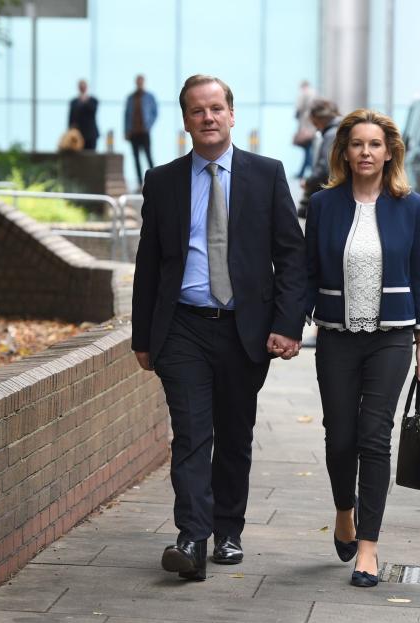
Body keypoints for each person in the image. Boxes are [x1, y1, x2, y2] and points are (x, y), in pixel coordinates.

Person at [131, 74, 307, 581]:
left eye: (216, 109)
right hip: (182, 326)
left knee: (234, 433)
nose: (207, 118)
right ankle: (191, 537)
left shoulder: (266, 174)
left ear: (232, 114)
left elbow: (291, 257)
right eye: (196, 111)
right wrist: (144, 337)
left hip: (243, 330)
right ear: (185, 121)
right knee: (190, 433)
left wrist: (288, 324)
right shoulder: (163, 181)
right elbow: (149, 263)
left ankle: (228, 531)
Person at [304, 109, 420, 587]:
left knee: (374, 437)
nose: (366, 152)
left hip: (393, 337)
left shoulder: (411, 206)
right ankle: (344, 510)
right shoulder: (323, 206)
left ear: (389, 152)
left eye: (374, 145)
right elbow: (307, 272)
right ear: (344, 151)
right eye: (357, 144)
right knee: (339, 436)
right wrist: (287, 325)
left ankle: (369, 548)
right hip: (336, 336)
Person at [297, 99, 342, 219]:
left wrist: (308, 181)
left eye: (315, 123)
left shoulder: (331, 134)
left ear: (319, 118)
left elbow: (326, 168)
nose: (316, 128)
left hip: (333, 193)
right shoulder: (340, 129)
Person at [124, 74, 158, 184]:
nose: (139, 83)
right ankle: (139, 182)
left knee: (148, 156)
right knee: (136, 158)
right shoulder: (130, 98)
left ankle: (154, 180)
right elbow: (126, 115)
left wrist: (148, 125)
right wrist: (126, 130)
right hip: (133, 132)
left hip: (144, 132)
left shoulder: (149, 96)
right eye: (138, 81)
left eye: (141, 81)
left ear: (143, 82)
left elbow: (155, 113)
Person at [293, 80, 317, 177]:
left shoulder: (304, 94)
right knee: (308, 150)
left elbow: (298, 108)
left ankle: (309, 171)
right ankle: (304, 172)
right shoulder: (315, 93)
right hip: (312, 127)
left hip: (306, 127)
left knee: (307, 150)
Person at [68, 79, 99, 150]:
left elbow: (93, 111)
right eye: (81, 86)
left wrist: (84, 100)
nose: (82, 88)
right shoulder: (74, 102)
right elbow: (71, 118)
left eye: (84, 86)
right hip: (77, 134)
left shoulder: (93, 100)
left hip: (91, 134)